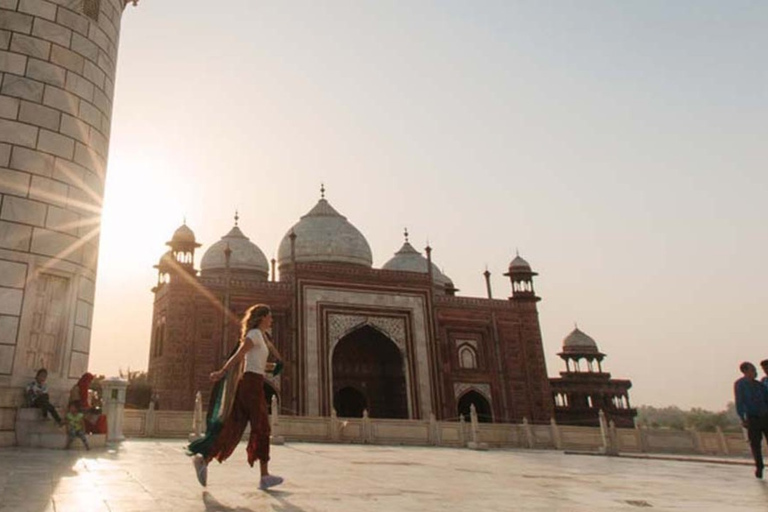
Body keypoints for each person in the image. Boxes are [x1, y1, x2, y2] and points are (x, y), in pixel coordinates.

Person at [188, 304, 285, 490]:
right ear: (262, 317)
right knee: (262, 428)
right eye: (270, 316)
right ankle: (264, 476)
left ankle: (204, 460)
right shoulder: (254, 335)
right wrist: (222, 372)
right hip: (250, 386)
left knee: (234, 427)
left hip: (253, 382)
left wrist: (274, 366)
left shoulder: (261, 337)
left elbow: (255, 364)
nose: (272, 320)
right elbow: (239, 356)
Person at [734, 361, 768, 479]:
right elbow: (740, 402)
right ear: (745, 371)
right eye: (753, 370)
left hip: (765, 417)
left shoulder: (760, 385)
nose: (755, 372)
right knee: (755, 444)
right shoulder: (740, 385)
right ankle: (759, 467)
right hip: (752, 418)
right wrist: (743, 418)